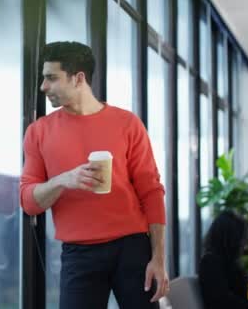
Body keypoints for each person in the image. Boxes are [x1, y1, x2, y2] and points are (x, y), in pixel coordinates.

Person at [20, 41, 169, 309]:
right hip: (79, 254)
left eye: (51, 78)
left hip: (132, 248)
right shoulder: (38, 132)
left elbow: (151, 191)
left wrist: (158, 258)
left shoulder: (127, 123)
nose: (43, 87)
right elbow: (29, 202)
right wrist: (63, 180)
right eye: (43, 78)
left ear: (78, 78)